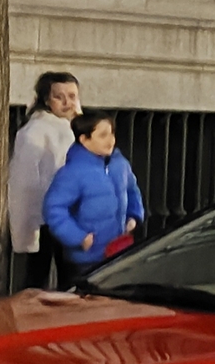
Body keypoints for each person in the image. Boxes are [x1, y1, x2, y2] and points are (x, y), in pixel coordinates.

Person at [44, 112, 146, 279]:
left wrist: (133, 216)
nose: (111, 140)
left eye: (112, 133)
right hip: (85, 260)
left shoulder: (120, 164)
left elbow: (132, 190)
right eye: (103, 135)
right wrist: (78, 237)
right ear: (84, 139)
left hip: (118, 251)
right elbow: (53, 209)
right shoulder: (72, 172)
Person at [9, 71, 82, 290]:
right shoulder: (35, 131)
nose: (67, 102)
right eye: (60, 96)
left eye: (72, 95)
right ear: (46, 99)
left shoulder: (76, 128)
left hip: (70, 215)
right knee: (40, 276)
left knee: (69, 276)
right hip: (47, 217)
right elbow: (25, 180)